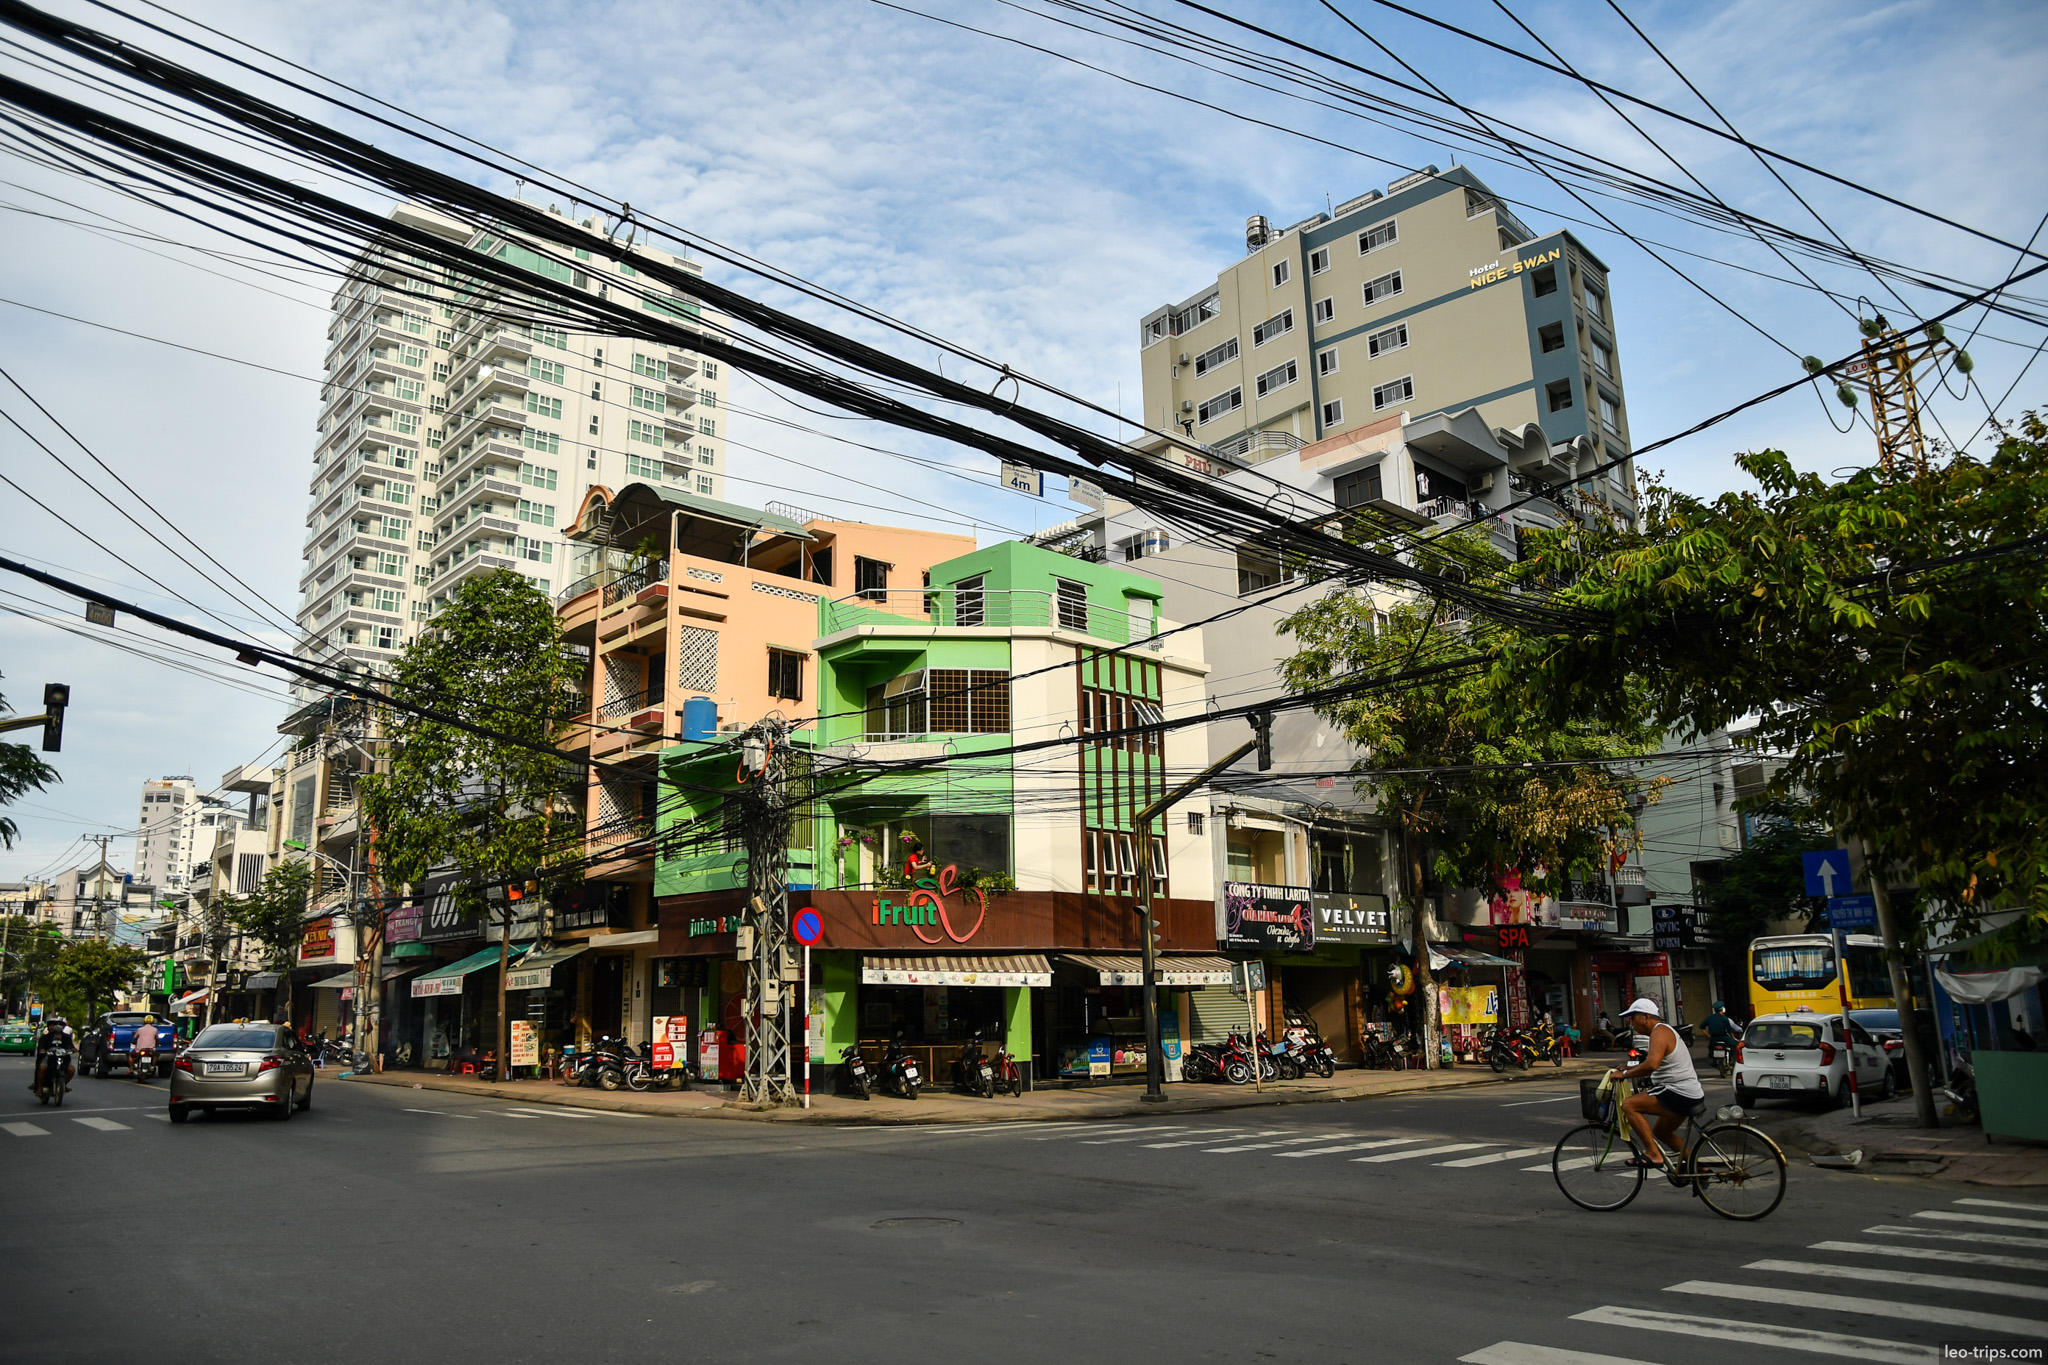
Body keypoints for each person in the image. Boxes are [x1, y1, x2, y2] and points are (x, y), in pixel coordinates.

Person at [1605, 996, 1705, 1173]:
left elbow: (1652, 1064)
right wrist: (1628, 1067)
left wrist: (1625, 1074)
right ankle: (1698, 1170)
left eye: (1633, 1018)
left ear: (1645, 1017)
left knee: (1629, 1105)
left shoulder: (1660, 1031)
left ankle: (1653, 1154)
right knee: (1662, 1133)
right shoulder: (1662, 1032)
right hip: (1688, 1092)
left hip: (1677, 1091)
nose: (1632, 1023)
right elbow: (1653, 1063)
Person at [31, 1016, 74, 1095]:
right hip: (49, 1057)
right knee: (43, 1068)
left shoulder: (67, 1037)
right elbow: (41, 1047)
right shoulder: (45, 1037)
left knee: (71, 1069)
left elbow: (71, 1046)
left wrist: (73, 1049)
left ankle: (64, 1085)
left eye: (61, 1025)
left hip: (63, 1058)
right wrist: (43, 1050)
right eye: (57, 1024)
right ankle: (39, 1087)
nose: (58, 1026)